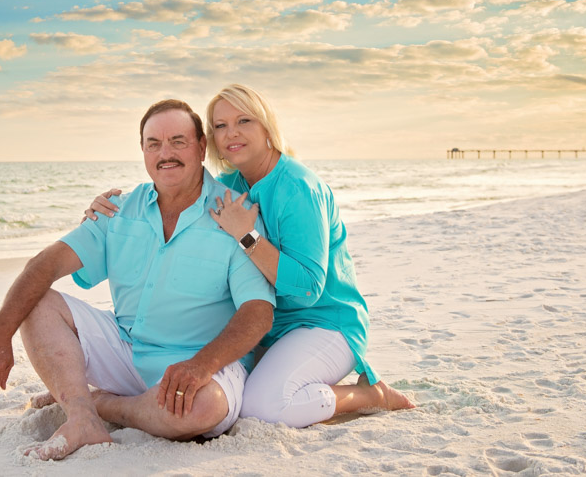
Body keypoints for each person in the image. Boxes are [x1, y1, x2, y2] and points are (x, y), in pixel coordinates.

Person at [85, 85, 414, 428]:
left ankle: (370, 395)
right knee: (227, 398)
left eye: (244, 120)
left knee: (265, 409)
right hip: (267, 329)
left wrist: (248, 236)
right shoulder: (230, 184)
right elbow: (171, 186)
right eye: (220, 126)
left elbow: (307, 290)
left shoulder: (299, 187)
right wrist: (107, 211)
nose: (232, 133)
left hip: (323, 323)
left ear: (266, 127)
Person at [0, 99, 275, 460]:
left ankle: (105, 404)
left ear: (201, 147)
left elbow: (258, 311)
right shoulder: (118, 210)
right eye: (154, 144)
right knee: (37, 301)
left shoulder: (234, 213)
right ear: (143, 150)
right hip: (127, 349)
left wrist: (202, 364)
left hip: (200, 362)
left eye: (179, 141)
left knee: (203, 409)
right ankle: (83, 418)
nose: (166, 154)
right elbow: (44, 265)